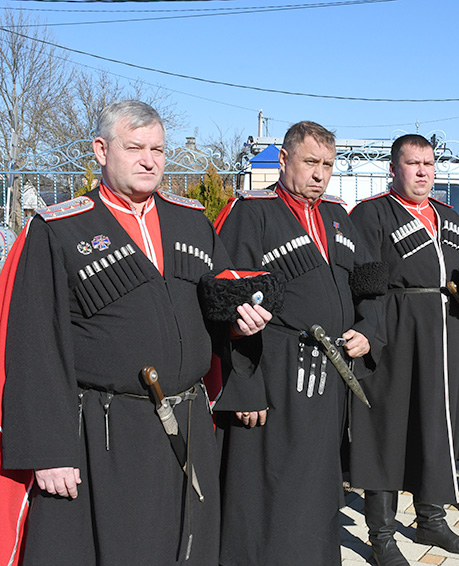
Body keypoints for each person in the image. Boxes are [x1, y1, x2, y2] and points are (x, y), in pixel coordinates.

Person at [0, 100, 268, 566]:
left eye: (158, 149)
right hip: (106, 433)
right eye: (135, 148)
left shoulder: (191, 221)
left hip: (188, 421)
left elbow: (220, 302)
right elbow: (31, 345)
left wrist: (241, 322)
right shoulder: (59, 230)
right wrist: (48, 451)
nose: (150, 160)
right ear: (101, 150)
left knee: (190, 548)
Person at [214, 121, 382, 566]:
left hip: (331, 377)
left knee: (321, 486)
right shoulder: (250, 212)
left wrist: (370, 331)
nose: (319, 174)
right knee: (268, 487)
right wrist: (245, 387)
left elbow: (371, 287)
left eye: (327, 165)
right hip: (274, 374)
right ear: (284, 159)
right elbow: (227, 311)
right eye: (310, 162)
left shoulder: (338, 215)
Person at [347, 134, 459, 566]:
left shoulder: (450, 217)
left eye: (429, 163)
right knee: (390, 434)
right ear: (394, 168)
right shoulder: (372, 214)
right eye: (412, 163)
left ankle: (431, 518)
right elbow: (363, 285)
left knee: (438, 428)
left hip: (448, 337)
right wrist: (370, 334)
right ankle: (381, 534)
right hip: (395, 337)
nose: (423, 171)